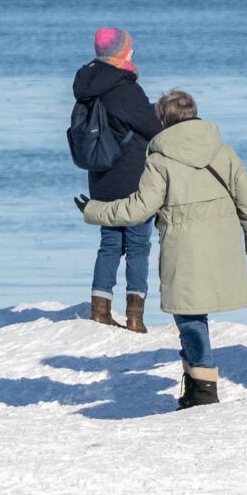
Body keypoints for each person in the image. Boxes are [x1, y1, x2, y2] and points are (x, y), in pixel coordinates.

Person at [79, 87, 247, 410]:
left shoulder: (160, 160)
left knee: (190, 317)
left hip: (184, 251)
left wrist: (94, 211)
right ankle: (196, 385)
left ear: (163, 121)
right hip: (222, 248)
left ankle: (204, 387)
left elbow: (139, 209)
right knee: (195, 315)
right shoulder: (224, 152)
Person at [72, 27, 162, 331]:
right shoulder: (125, 88)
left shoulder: (87, 85)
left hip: (100, 176)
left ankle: (100, 309)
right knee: (138, 245)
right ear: (121, 52)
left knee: (109, 243)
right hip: (133, 178)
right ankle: (135, 318)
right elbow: (153, 128)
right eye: (130, 49)